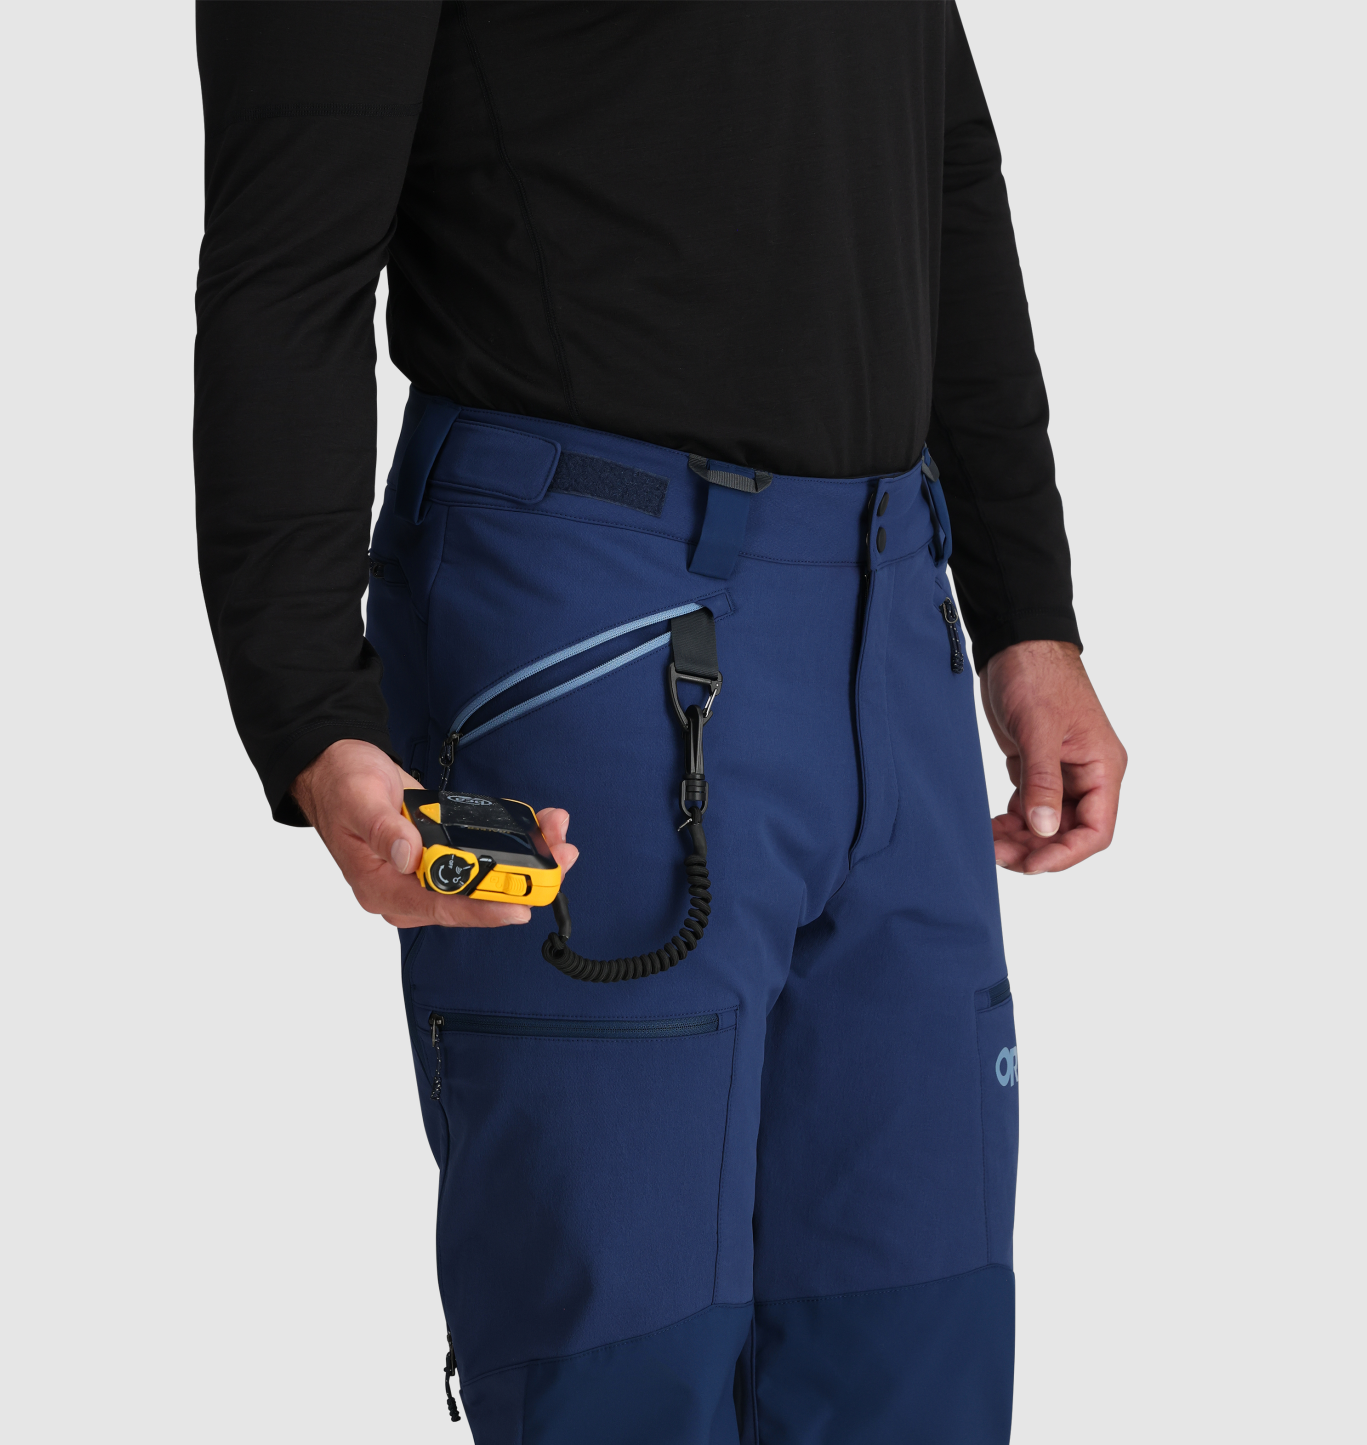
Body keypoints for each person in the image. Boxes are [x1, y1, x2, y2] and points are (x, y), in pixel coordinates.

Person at [193, 3, 1127, 1440]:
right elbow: (286, 267)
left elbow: (942, 156)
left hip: (891, 603)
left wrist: (1027, 613)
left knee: (913, 1338)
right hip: (586, 604)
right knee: (620, 1363)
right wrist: (311, 709)